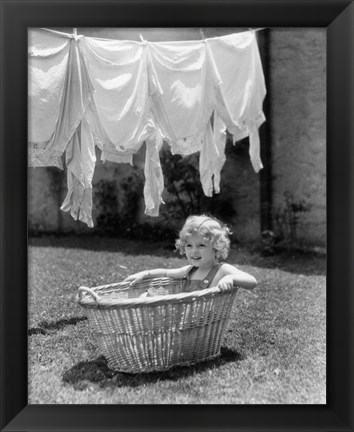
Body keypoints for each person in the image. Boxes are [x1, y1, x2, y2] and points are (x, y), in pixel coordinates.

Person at [124, 215, 257, 292]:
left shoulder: (222, 270)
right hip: (186, 323)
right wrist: (144, 274)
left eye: (201, 245)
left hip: (205, 325)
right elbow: (165, 273)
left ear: (216, 246)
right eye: (189, 245)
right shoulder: (189, 271)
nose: (194, 251)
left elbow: (252, 281)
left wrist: (231, 278)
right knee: (147, 296)